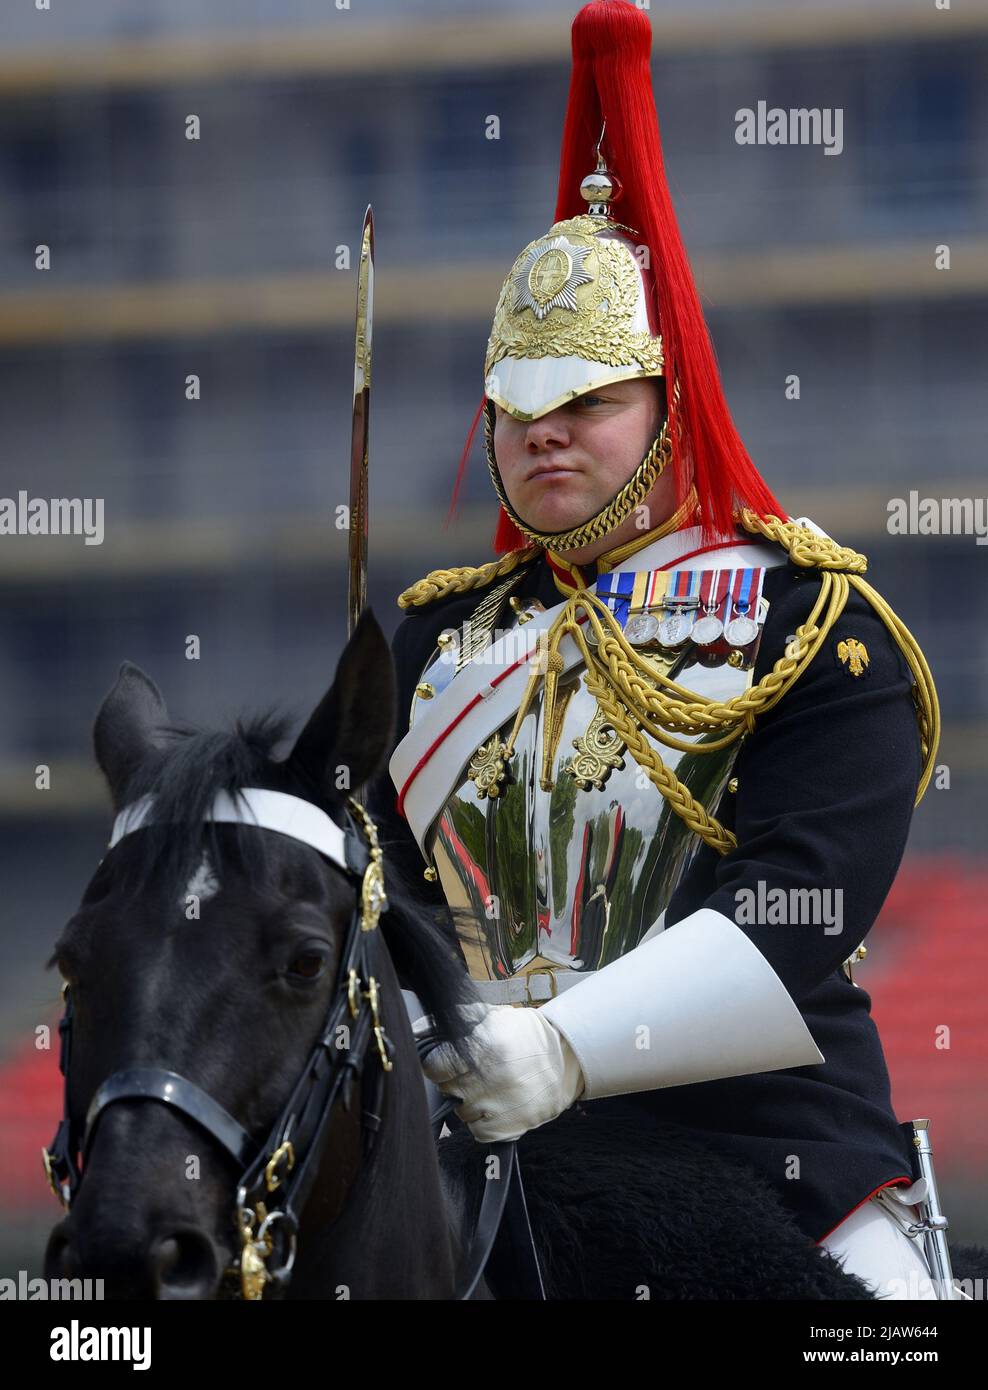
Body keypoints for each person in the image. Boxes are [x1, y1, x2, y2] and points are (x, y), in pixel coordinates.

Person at [366, 0, 950, 1301]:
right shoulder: (434, 636)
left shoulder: (811, 624)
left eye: (589, 400)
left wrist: (564, 1048)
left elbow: (798, 904)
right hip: (485, 1167)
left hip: (774, 1166)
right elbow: (374, 898)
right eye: (517, 403)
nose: (545, 433)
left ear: (670, 400)